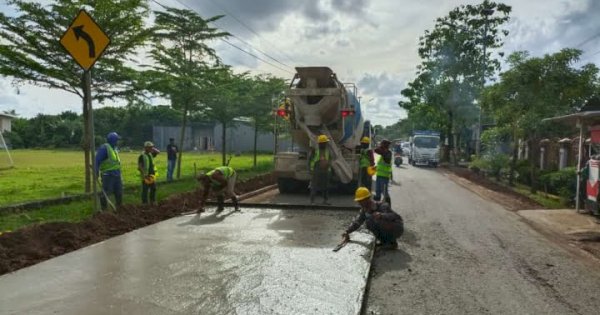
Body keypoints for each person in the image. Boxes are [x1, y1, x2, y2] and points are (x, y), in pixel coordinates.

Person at [95, 132, 123, 211]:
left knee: (119, 193)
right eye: (117, 140)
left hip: (117, 175)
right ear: (113, 140)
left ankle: (119, 209)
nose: (118, 142)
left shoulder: (114, 149)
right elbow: (97, 160)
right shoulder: (104, 148)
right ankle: (104, 210)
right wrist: (96, 172)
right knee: (106, 193)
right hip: (108, 175)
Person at [308, 134, 332, 205]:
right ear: (321, 143)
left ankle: (325, 200)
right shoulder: (315, 151)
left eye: (326, 143)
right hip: (317, 170)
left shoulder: (327, 151)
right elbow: (310, 160)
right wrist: (311, 169)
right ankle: (312, 201)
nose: (326, 144)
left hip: (325, 170)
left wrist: (329, 171)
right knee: (314, 186)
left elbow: (330, 160)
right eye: (324, 143)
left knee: (325, 186)